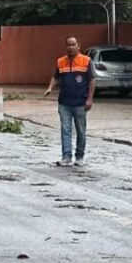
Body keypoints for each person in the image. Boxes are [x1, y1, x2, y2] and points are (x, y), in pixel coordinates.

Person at [44, 36, 95, 167]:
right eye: (68, 45)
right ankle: (66, 156)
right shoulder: (61, 61)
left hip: (80, 103)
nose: (71, 47)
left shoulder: (86, 61)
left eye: (73, 45)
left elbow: (92, 80)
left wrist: (89, 99)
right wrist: (50, 88)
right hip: (64, 103)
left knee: (81, 130)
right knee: (65, 129)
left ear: (79, 45)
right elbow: (56, 77)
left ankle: (79, 156)